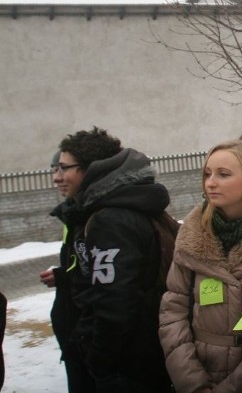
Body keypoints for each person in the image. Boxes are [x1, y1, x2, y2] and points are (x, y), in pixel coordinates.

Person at [49, 127, 175, 392]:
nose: (56, 177)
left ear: (88, 169)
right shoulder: (110, 209)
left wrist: (98, 360)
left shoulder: (111, 219)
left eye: (64, 168)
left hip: (126, 366)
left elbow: (115, 303)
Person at [159, 140, 242, 393]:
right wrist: (191, 381)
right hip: (199, 368)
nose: (211, 183)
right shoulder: (190, 237)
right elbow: (172, 313)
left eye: (223, 174)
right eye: (207, 174)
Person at [40, 150, 96, 392]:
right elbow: (79, 263)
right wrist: (63, 274)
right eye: (54, 169)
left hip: (88, 338)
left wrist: (64, 276)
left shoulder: (97, 216)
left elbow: (100, 279)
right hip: (76, 337)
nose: (57, 177)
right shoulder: (73, 213)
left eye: (63, 168)